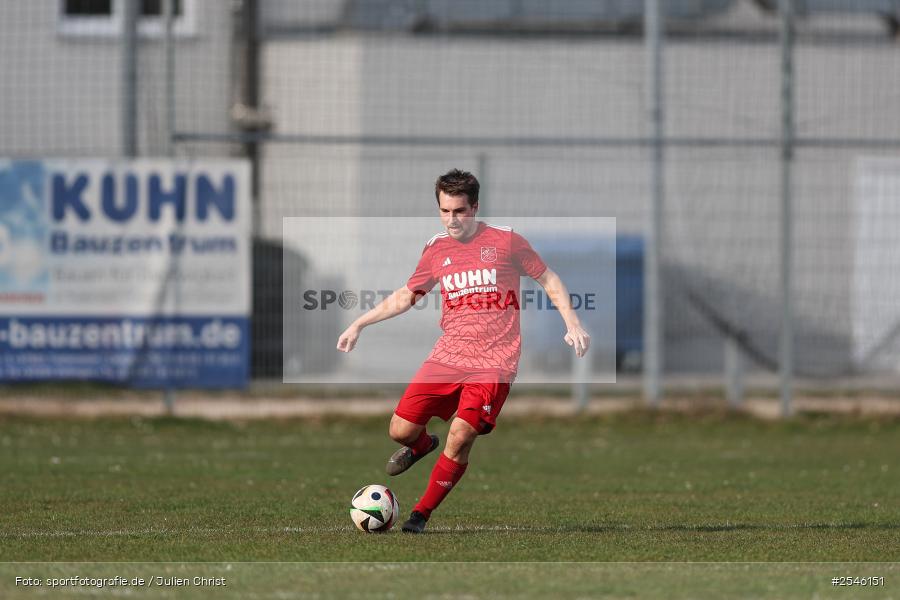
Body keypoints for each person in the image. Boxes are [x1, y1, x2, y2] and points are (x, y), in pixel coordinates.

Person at [336, 168, 590, 533]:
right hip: (448, 356)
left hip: (494, 362)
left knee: (461, 435)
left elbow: (548, 279)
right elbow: (409, 295)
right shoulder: (436, 248)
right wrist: (360, 322)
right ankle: (422, 446)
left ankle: (420, 515)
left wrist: (572, 322)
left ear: (475, 207)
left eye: (459, 211)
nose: (452, 220)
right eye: (445, 211)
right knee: (400, 431)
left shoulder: (507, 242)